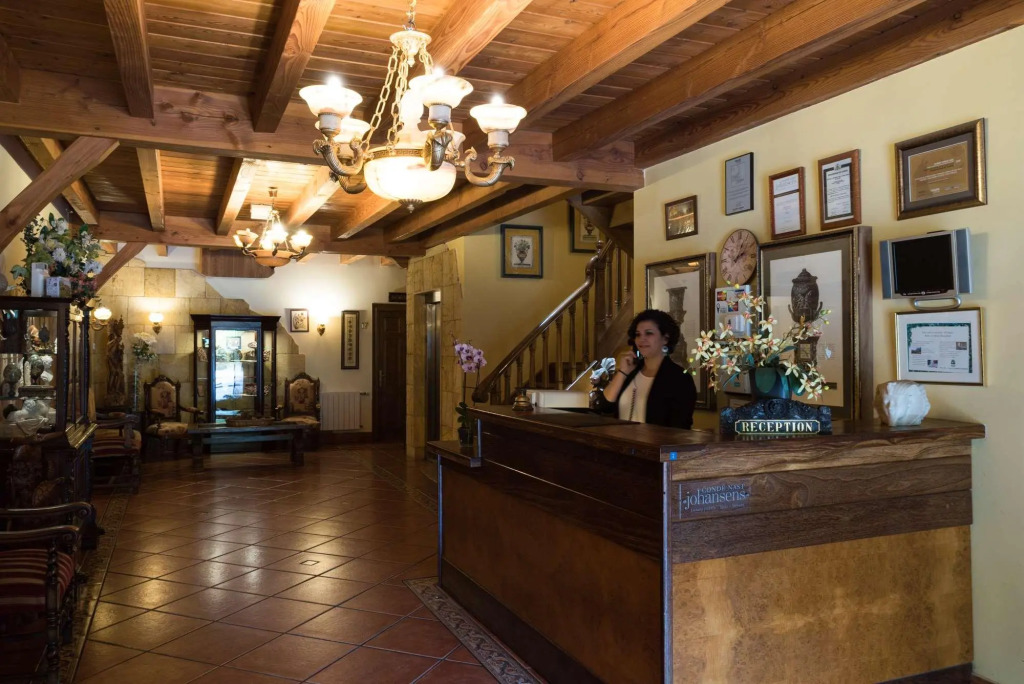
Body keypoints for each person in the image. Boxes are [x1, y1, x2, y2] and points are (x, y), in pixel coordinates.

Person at [593, 309, 696, 429]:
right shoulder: (631, 372)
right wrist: (622, 372)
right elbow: (604, 407)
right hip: (620, 440)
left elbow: (680, 427)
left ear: (665, 338)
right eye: (638, 334)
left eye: (649, 333)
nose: (642, 339)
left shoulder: (680, 379)